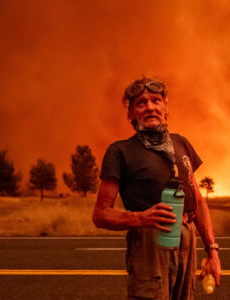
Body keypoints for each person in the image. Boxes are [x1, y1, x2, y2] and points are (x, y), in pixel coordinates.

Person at [93, 77, 221, 300]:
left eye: (156, 100)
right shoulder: (120, 151)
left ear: (166, 108)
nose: (150, 107)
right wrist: (142, 218)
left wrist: (212, 251)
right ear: (131, 114)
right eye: (141, 103)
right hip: (148, 242)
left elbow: (198, 202)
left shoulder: (181, 143)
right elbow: (100, 214)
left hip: (187, 239)